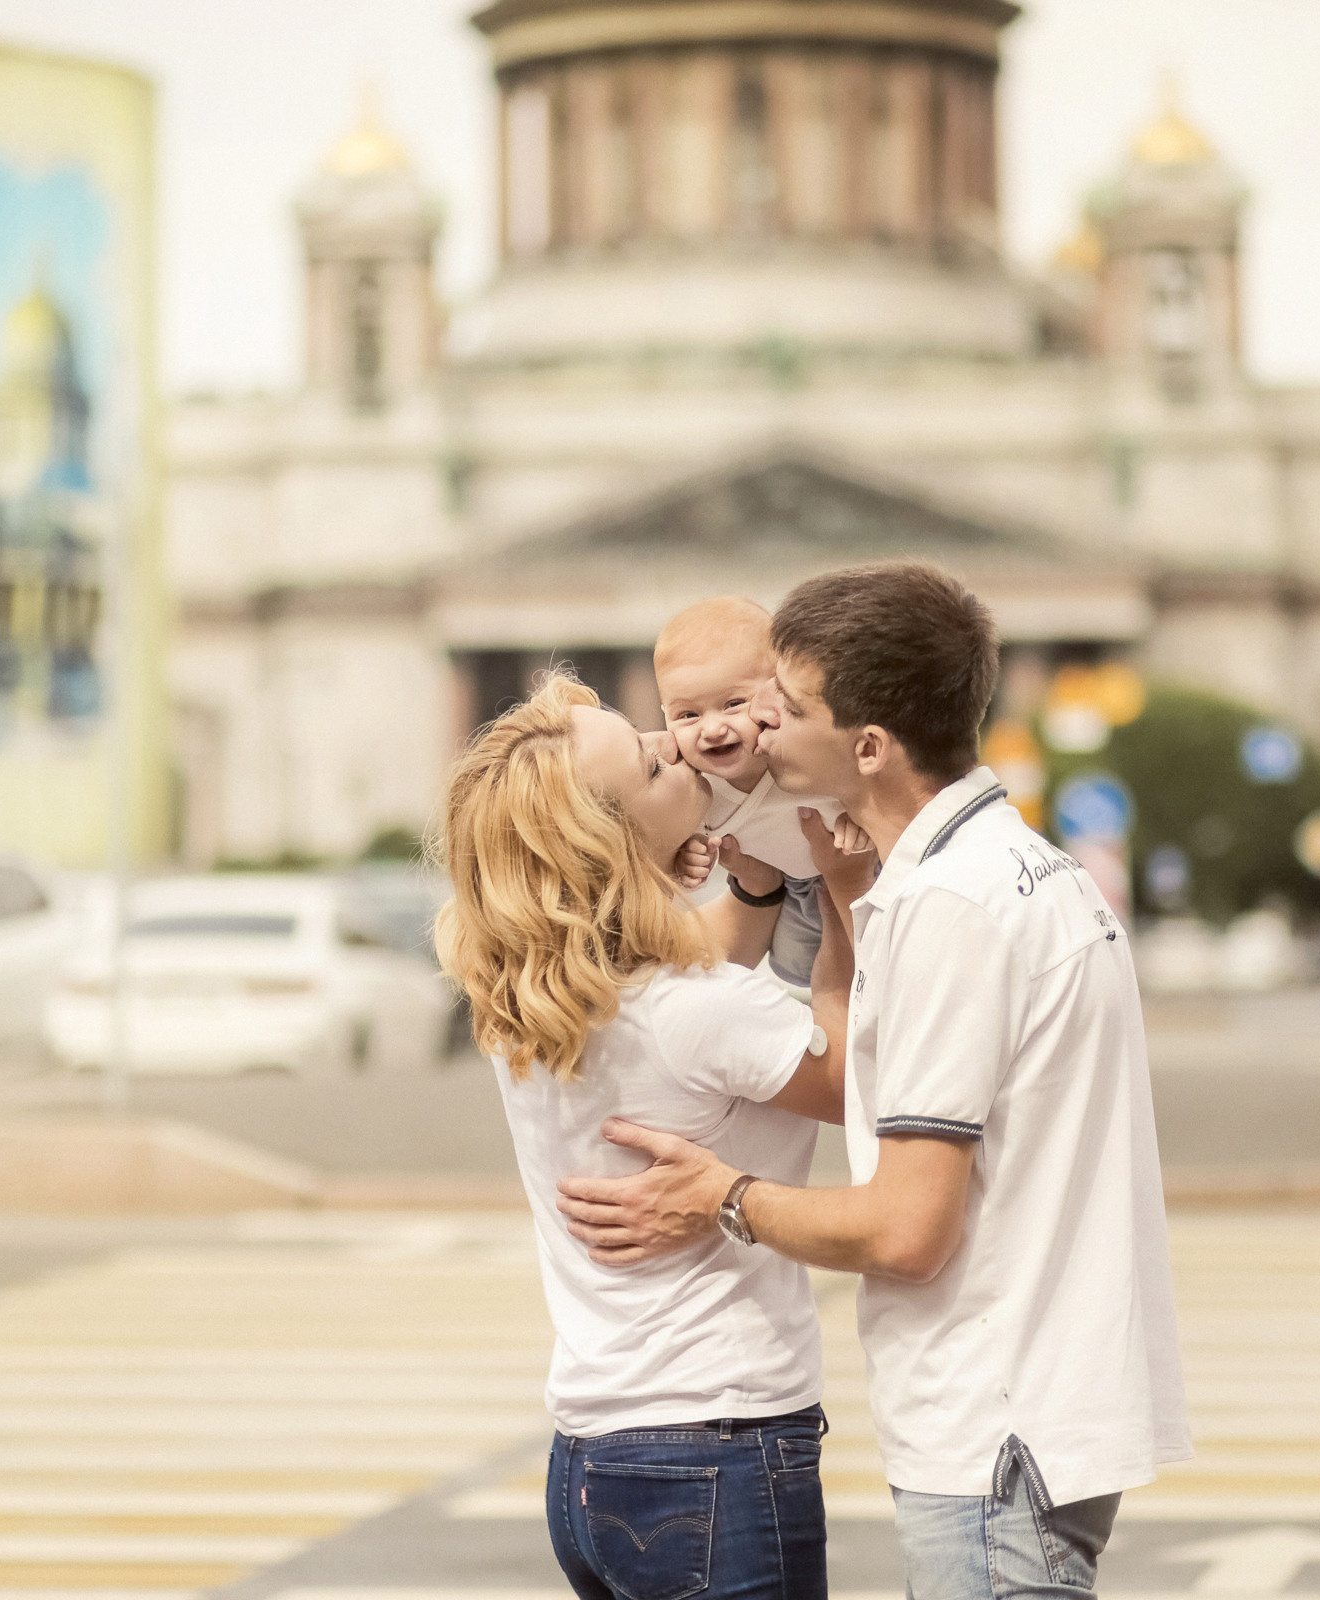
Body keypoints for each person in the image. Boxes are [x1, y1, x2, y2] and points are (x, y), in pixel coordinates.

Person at [555, 562, 1193, 1600]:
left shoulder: (951, 909)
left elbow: (907, 1227)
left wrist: (720, 1196)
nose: (755, 729)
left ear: (866, 746)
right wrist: (840, 901)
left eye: (785, 705)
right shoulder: (1026, 871)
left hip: (994, 1429)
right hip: (1037, 1409)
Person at [434, 671, 866, 1600]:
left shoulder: (537, 1006)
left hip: (593, 1462)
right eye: (648, 757)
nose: (675, 743)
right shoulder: (696, 1012)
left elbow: (694, 979)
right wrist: (839, 890)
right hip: (718, 1450)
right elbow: (856, 1083)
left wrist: (748, 884)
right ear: (613, 837)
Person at [653, 595, 867, 985]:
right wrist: (688, 856)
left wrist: (860, 819)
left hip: (866, 869)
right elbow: (677, 843)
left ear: (776, 694)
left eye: (733, 704)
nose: (712, 728)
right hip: (794, 892)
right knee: (799, 971)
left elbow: (860, 778)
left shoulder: (800, 750)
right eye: (688, 715)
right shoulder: (692, 786)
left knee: (883, 966)